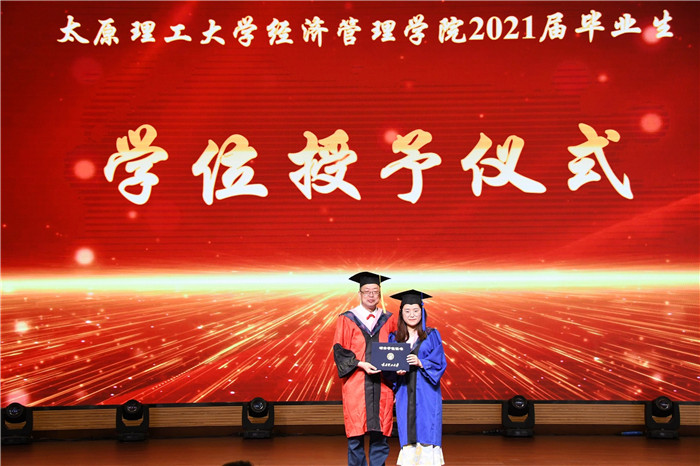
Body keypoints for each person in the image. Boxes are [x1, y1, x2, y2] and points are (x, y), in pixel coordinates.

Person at [333, 271, 398, 466]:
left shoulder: (389, 318)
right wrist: (360, 364)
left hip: (383, 384)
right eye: (367, 291)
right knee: (355, 434)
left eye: (375, 291)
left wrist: (398, 375)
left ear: (380, 294)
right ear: (359, 294)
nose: (371, 295)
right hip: (356, 384)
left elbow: (396, 348)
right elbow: (339, 351)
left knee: (381, 433)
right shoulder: (347, 318)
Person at [389, 290, 447, 466]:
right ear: (401, 313)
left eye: (415, 310)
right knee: (408, 433)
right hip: (404, 392)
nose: (412, 314)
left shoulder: (432, 335)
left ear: (422, 312)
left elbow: (439, 362)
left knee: (427, 430)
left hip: (427, 392)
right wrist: (396, 371)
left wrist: (421, 362)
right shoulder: (395, 338)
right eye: (407, 311)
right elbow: (387, 367)